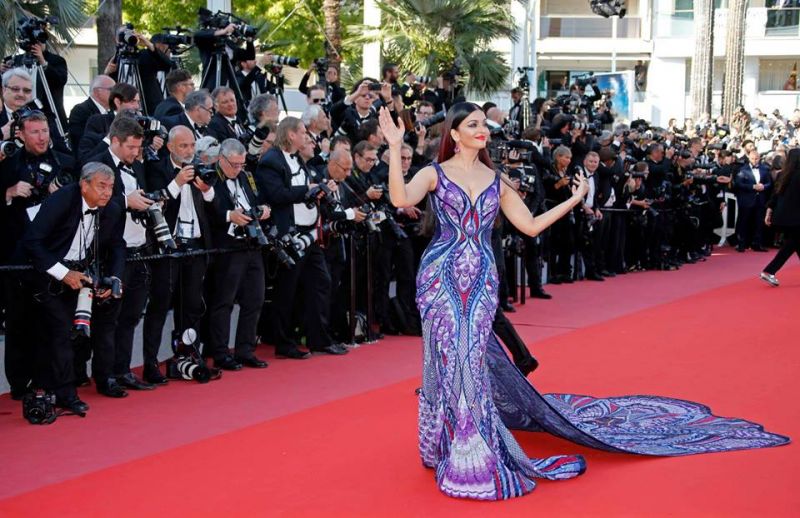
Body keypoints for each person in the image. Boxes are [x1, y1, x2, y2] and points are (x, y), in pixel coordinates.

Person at [377, 102, 789, 501]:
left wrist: (573, 201)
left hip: (482, 277)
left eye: (484, 123)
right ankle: (440, 443)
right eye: (473, 125)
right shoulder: (432, 174)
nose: (482, 130)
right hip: (439, 278)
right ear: (454, 134)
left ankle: (470, 447)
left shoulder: (496, 180)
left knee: (469, 359)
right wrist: (396, 148)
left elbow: (530, 226)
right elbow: (400, 200)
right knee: (445, 357)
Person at [761, 148, 800, 286]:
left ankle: (769, 271)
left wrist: (768, 212)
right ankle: (769, 271)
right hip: (796, 218)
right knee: (791, 244)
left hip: (782, 217)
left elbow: (774, 196)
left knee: (793, 243)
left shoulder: (782, 175)